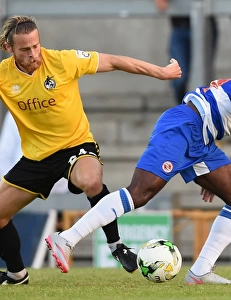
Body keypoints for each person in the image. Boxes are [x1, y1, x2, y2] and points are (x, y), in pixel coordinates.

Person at [46, 54, 231, 284]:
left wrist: (209, 177)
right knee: (140, 193)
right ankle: (67, 238)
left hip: (202, 139)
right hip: (184, 126)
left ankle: (200, 271)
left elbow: (222, 107)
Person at [0, 15, 181, 285]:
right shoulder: (4, 74)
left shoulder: (62, 61)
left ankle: (116, 245)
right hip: (36, 157)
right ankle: (17, 274)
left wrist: (161, 72)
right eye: (25, 50)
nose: (33, 54)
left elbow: (116, 61)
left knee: (91, 180)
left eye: (36, 46)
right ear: (8, 48)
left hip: (75, 145)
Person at [154, 0, 218, 104]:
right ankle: (183, 111)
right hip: (180, 26)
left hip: (204, 24)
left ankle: (202, 114)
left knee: (203, 78)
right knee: (178, 79)